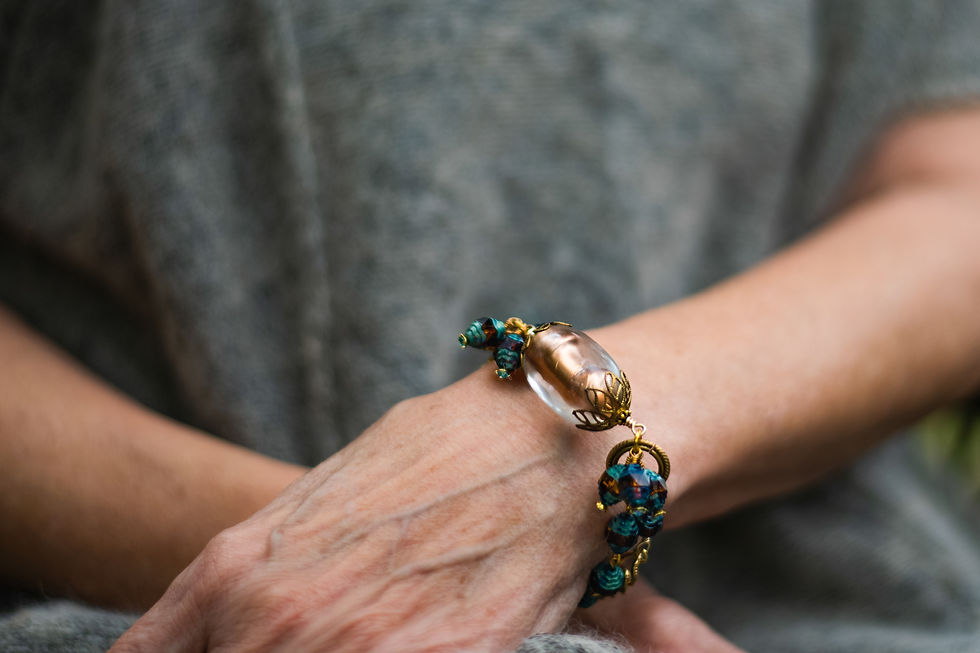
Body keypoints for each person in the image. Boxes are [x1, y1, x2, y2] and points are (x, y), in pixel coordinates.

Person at [2, 1, 980, 651]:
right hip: (137, 595)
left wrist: (547, 466)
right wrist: (332, 539)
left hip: (827, 594)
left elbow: (955, 204)